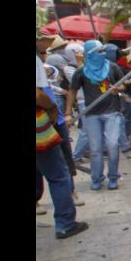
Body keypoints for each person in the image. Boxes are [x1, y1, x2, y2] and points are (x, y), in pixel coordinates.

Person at [36, 54, 89, 239]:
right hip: (39, 132)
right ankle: (65, 224)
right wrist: (51, 107)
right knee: (59, 176)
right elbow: (37, 94)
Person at [65, 40, 125, 190]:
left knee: (112, 145)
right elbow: (72, 90)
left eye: (102, 51)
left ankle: (113, 177)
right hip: (91, 114)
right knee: (96, 149)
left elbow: (123, 84)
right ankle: (97, 178)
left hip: (112, 112)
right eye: (97, 52)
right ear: (88, 54)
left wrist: (118, 89)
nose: (101, 54)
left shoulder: (112, 67)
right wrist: (67, 113)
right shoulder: (81, 71)